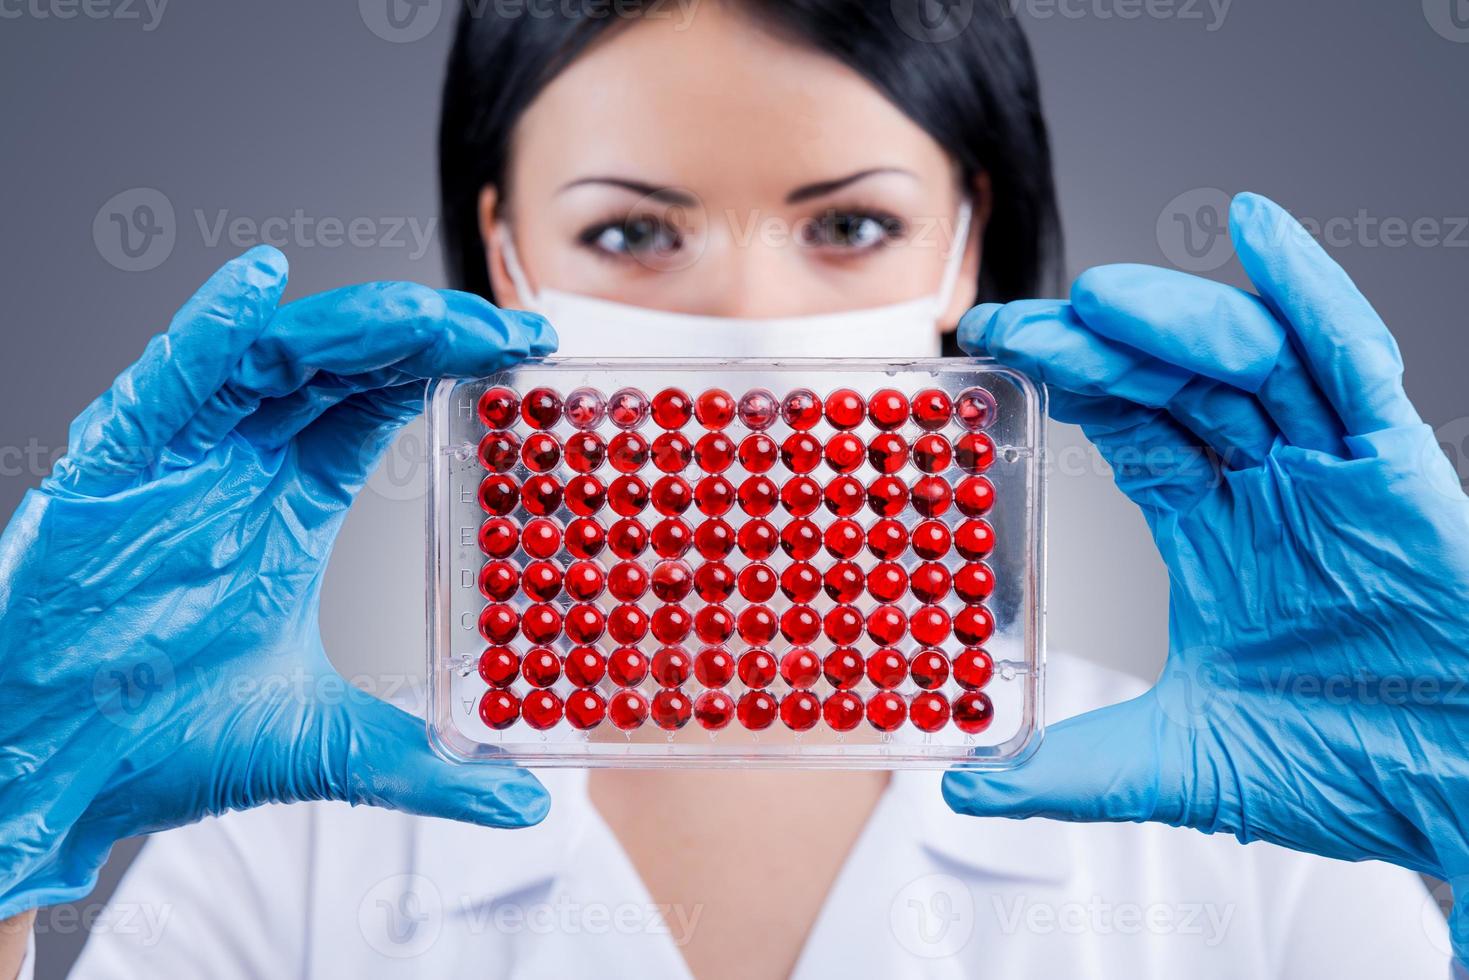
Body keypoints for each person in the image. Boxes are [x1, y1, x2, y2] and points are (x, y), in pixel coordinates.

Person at [2, 2, 1466, 977]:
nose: (749, 319)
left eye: (848, 222)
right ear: (504, 249)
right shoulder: (292, 842)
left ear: (969, 239)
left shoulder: (1262, 833)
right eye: (637, 234)